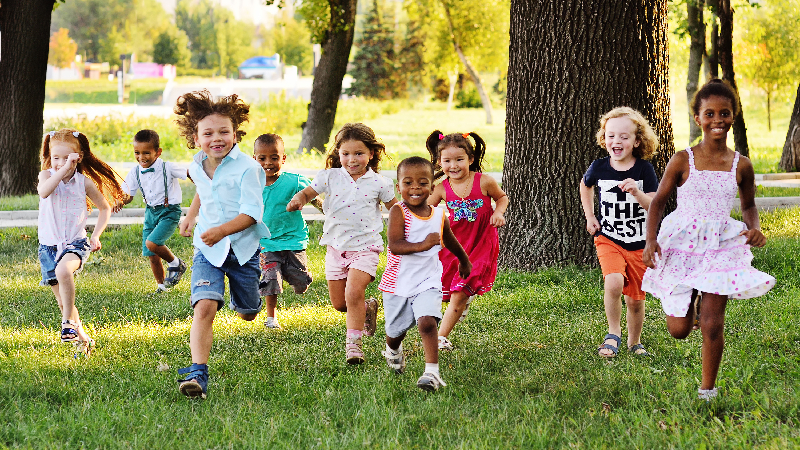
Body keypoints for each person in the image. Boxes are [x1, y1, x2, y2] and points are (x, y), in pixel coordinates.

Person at [642, 79, 775, 400]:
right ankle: (692, 300)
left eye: (725, 113)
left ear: (734, 116)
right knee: (679, 330)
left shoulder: (741, 165)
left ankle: (708, 390)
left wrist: (753, 227)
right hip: (682, 243)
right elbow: (658, 201)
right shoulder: (682, 159)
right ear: (698, 118)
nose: (718, 119)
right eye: (710, 113)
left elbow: (748, 205)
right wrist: (650, 241)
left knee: (714, 323)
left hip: (721, 245)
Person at [174, 90, 269, 399]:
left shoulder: (249, 169)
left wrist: (220, 231)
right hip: (208, 250)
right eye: (208, 133)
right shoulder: (197, 164)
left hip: (242, 249)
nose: (217, 138)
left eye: (224, 132)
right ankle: (198, 373)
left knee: (248, 312)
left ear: (235, 134)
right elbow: (205, 189)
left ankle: (243, 301)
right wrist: (191, 216)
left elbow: (252, 214)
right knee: (204, 307)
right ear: (195, 137)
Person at [287, 123, 397, 364]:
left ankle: (353, 347)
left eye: (358, 153)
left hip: (366, 248)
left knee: (352, 292)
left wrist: (409, 228)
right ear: (338, 154)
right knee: (340, 304)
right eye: (345, 153)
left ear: (371, 154)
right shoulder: (330, 177)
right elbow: (309, 192)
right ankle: (367, 308)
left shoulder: (379, 183)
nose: (352, 159)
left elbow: (396, 210)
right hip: (336, 249)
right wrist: (299, 199)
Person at [379, 157, 471, 391]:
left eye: (422, 183)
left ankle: (432, 373)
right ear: (398, 187)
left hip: (428, 280)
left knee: (427, 322)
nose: (415, 188)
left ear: (432, 186)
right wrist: (422, 245)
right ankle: (392, 349)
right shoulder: (399, 212)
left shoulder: (439, 215)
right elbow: (396, 245)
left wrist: (463, 260)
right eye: (408, 183)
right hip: (397, 283)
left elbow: (449, 239)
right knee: (395, 331)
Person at [37, 129, 127, 357]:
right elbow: (44, 192)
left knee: (63, 270)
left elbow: (104, 208)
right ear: (50, 156)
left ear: (79, 157)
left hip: (75, 243)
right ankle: (83, 339)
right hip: (48, 247)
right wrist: (62, 170)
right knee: (62, 301)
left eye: (67, 158)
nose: (60, 163)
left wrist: (96, 235)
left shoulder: (83, 183)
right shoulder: (46, 176)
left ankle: (67, 321)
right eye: (56, 157)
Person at [579, 107, 660, 358]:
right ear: (604, 138)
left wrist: (637, 192)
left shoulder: (644, 170)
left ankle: (634, 342)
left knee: (636, 300)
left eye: (624, 137)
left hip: (638, 243)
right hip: (609, 238)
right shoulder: (599, 167)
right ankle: (613, 333)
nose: (617, 141)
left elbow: (654, 205)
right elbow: (585, 186)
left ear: (637, 141)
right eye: (611, 135)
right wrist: (590, 216)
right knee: (613, 281)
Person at [426, 131, 508, 350]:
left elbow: (502, 197)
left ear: (471, 159)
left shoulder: (484, 182)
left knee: (460, 290)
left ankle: (440, 338)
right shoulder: (442, 187)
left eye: (459, 159)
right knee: (447, 289)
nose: (454, 165)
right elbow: (425, 210)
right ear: (439, 162)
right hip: (455, 244)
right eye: (447, 161)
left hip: (481, 243)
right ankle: (461, 302)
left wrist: (498, 213)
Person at [253, 133, 321, 329]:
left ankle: (302, 277)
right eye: (262, 158)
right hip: (266, 242)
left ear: (283, 158)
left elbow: (313, 197)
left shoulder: (294, 181)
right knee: (270, 278)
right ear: (254, 159)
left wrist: (328, 212)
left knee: (300, 284)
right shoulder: (251, 185)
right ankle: (271, 318)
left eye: (274, 157)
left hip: (293, 240)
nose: (268, 163)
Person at [121, 130, 188, 293]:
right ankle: (161, 286)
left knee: (152, 243)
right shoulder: (135, 172)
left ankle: (176, 264)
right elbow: (128, 195)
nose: (141, 157)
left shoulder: (167, 167)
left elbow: (189, 173)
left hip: (169, 212)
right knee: (151, 253)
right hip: (150, 213)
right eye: (137, 152)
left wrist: (202, 183)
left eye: (146, 153)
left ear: (158, 152)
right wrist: (118, 201)